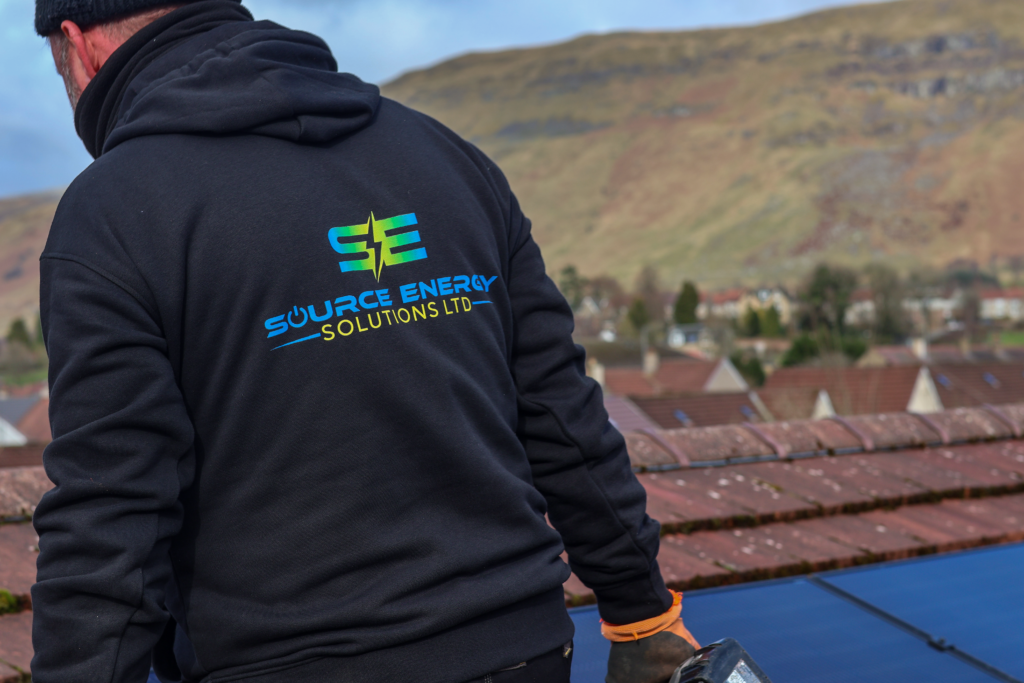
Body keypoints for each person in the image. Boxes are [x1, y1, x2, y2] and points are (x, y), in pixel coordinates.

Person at [31, 1, 699, 681]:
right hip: (519, 649)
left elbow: (111, 517)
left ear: (77, 45)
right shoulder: (446, 157)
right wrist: (645, 615)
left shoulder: (111, 215)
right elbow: (564, 417)